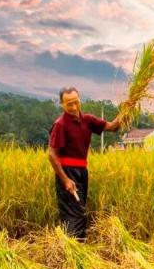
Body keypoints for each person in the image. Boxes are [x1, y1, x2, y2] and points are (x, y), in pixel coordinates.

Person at [48, 86, 121, 239]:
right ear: (62, 104)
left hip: (82, 171)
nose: (74, 107)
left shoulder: (87, 120)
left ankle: (77, 248)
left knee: (81, 210)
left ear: (79, 100)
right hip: (67, 172)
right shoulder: (60, 124)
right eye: (69, 104)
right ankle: (73, 251)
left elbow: (113, 127)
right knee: (74, 214)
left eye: (76, 102)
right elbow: (52, 155)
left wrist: (127, 110)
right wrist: (66, 180)